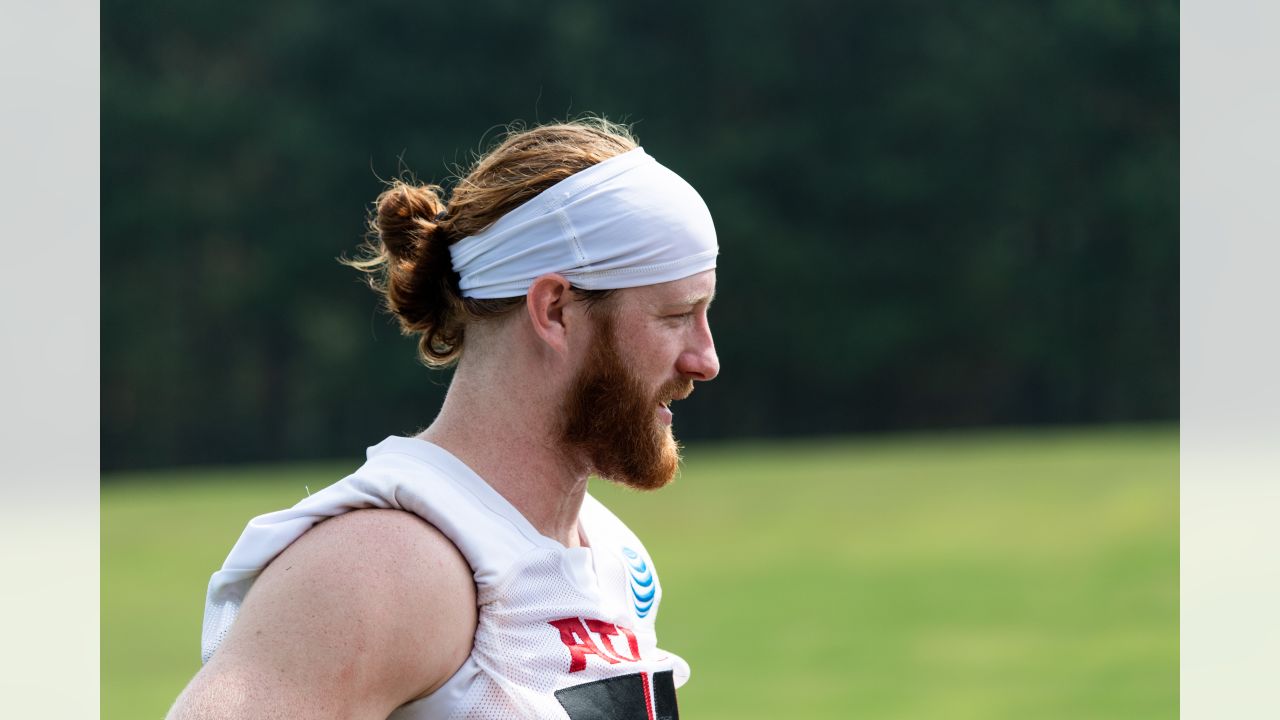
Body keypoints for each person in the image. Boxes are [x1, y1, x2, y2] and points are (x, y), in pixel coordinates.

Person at [167, 118, 720, 719]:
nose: (705, 358)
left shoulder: (612, 553)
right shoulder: (386, 564)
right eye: (675, 316)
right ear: (556, 310)